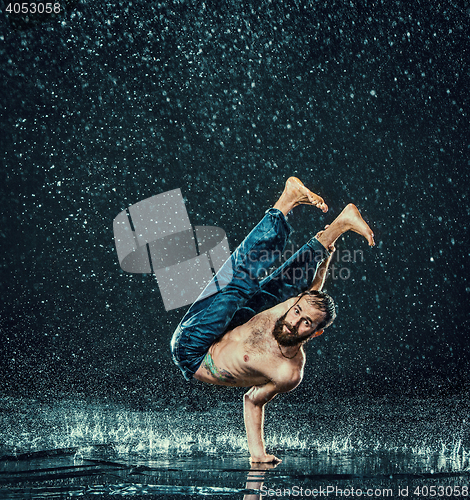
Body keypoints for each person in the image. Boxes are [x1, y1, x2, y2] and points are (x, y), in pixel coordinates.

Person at [171, 177, 374, 463]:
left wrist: (258, 454)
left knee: (245, 287)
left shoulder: (287, 373)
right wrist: (325, 257)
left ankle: (339, 222)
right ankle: (288, 203)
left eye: (305, 323)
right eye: (296, 312)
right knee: (254, 283)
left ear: (315, 334)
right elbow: (309, 294)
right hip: (195, 338)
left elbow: (253, 400)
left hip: (193, 356)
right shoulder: (291, 310)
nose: (294, 320)